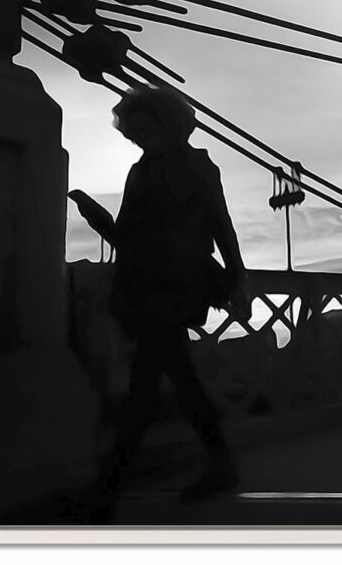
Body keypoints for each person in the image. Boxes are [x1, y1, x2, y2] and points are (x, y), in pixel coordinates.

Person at [70, 87, 251, 520]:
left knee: (146, 386)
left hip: (173, 288)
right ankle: (217, 463)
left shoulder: (196, 167)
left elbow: (220, 226)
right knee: (175, 378)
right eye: (131, 133)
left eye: (140, 129)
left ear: (164, 123)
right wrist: (101, 221)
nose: (134, 139)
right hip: (148, 286)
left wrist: (238, 278)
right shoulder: (141, 171)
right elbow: (132, 241)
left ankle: (107, 489)